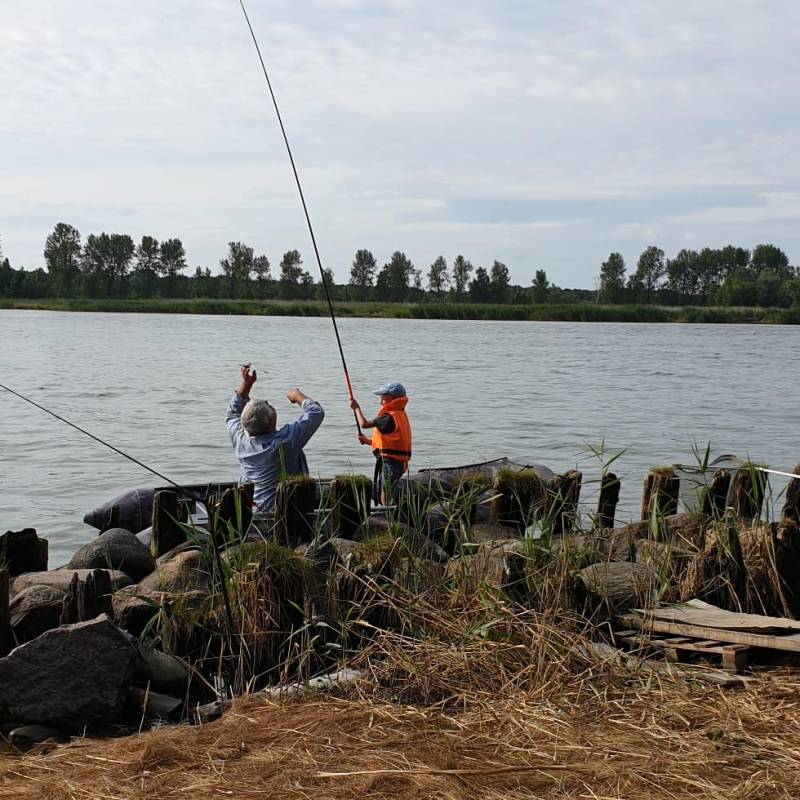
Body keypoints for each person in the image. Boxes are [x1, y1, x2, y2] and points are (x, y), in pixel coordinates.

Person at [226, 364, 324, 511]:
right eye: (271, 407)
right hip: (285, 512)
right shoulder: (284, 442)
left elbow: (233, 412)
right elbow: (316, 413)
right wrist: (298, 397)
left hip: (252, 510)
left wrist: (246, 384)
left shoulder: (239, 438)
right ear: (272, 421)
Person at [350, 382, 412, 504]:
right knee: (380, 492)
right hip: (398, 462)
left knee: (385, 492)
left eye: (383, 399)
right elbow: (391, 443)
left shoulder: (388, 417)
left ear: (393, 399)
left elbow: (364, 424)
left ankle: (387, 517)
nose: (380, 402)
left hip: (391, 463)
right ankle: (388, 512)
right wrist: (367, 441)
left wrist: (356, 408)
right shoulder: (400, 415)